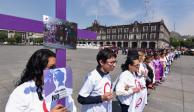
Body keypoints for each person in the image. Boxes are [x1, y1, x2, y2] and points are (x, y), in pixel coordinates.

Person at [5, 49, 76, 112]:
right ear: (38, 69)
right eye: (51, 67)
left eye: (57, 67)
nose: (56, 71)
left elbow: (71, 107)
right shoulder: (20, 93)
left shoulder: (61, 88)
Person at [77, 48, 117, 112]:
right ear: (101, 62)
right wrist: (101, 98)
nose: (114, 65)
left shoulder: (107, 74)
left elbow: (103, 87)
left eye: (115, 62)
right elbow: (81, 99)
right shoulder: (92, 77)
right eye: (111, 62)